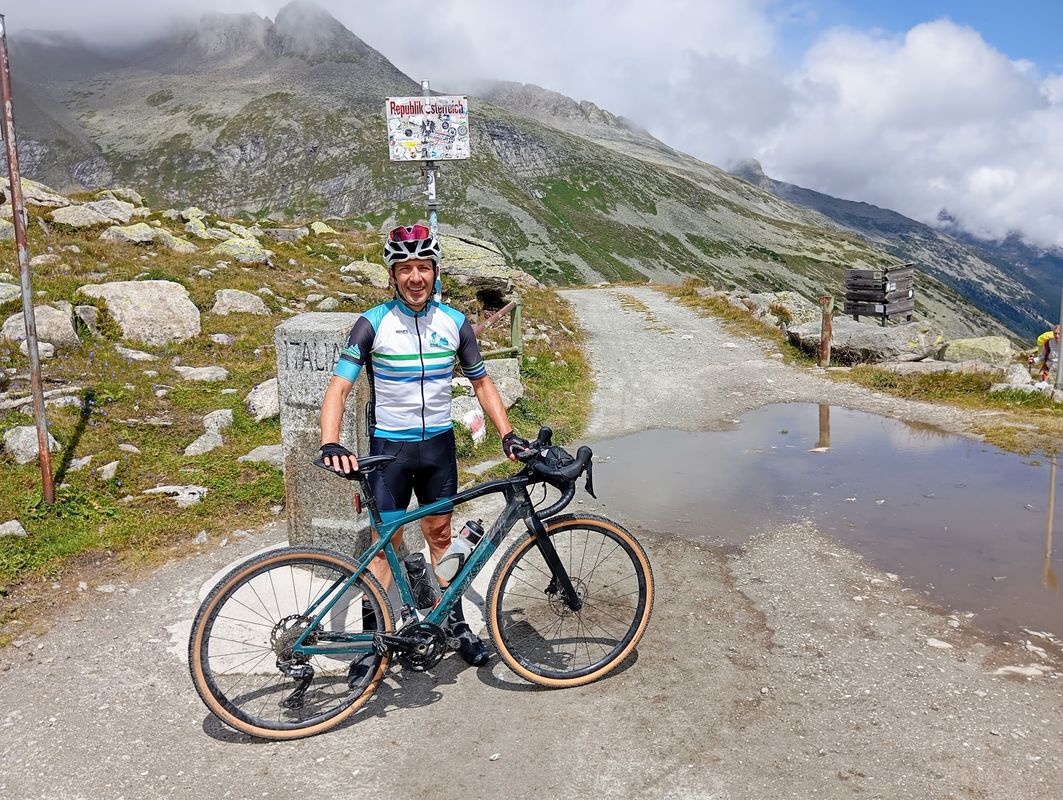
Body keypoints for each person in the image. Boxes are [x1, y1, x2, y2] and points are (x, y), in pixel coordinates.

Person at [319, 223, 524, 681]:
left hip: (437, 450)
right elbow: (338, 388)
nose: (415, 277)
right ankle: (373, 643)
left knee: (441, 537)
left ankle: (454, 624)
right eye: (405, 269)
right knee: (384, 548)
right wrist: (330, 440)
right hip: (389, 452)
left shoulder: (454, 323)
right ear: (392, 275)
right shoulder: (373, 323)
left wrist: (507, 433)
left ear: (435, 272)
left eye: (423, 268)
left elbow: (482, 382)